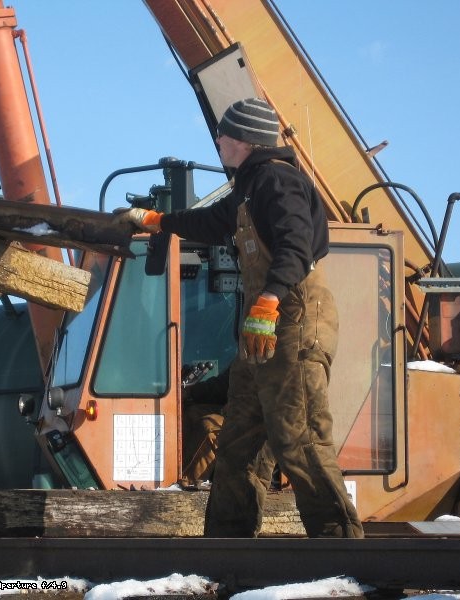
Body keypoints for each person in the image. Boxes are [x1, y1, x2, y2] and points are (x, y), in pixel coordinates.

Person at [115, 97, 364, 538]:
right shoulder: (250, 187)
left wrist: (268, 299)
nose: (217, 140)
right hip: (263, 332)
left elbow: (295, 245)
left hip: (292, 320)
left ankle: (342, 548)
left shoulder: (278, 180)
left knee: (299, 436)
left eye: (224, 135)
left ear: (246, 140)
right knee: (238, 443)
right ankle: (228, 546)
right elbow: (212, 222)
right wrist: (159, 220)